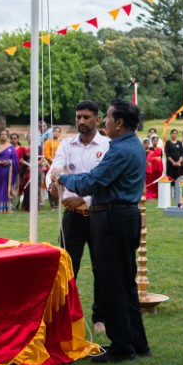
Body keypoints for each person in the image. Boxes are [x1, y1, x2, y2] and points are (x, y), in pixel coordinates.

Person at [51, 98, 150, 363]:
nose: (104, 121)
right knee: (125, 283)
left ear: (119, 122)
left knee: (112, 284)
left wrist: (62, 178)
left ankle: (121, 347)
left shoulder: (119, 150)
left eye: (106, 117)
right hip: (121, 216)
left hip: (113, 217)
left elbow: (92, 181)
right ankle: (135, 342)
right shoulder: (131, 145)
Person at [46, 100, 109, 334]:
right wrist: (52, 184)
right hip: (71, 218)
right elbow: (56, 169)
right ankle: (65, 315)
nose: (81, 121)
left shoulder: (107, 145)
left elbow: (106, 181)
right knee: (67, 267)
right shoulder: (66, 145)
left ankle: (100, 317)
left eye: (86, 117)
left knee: (101, 267)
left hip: (99, 216)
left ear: (97, 120)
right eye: (78, 117)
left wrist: (84, 200)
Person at [0, 130, 19, 214]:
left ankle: (8, 207)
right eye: (1, 134)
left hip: (9, 170)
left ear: (7, 136)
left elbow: (15, 160)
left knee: (7, 188)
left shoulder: (11, 147)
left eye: (5, 134)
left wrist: (9, 162)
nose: (3, 136)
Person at [145, 135, 163, 200]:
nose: (155, 141)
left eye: (156, 140)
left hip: (158, 167)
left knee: (158, 180)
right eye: (154, 140)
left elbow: (160, 157)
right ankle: (151, 194)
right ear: (152, 141)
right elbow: (149, 158)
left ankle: (158, 194)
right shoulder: (149, 149)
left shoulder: (160, 149)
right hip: (152, 167)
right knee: (152, 181)